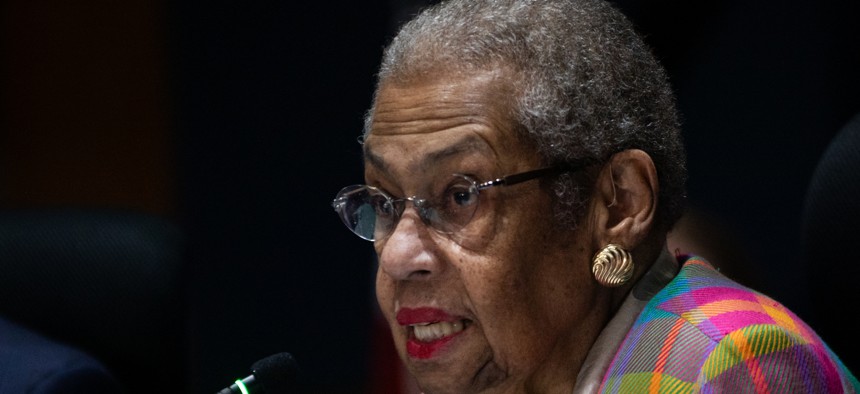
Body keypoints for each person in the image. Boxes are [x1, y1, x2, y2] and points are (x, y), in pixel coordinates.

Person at [331, 0, 859, 392]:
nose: (398, 256)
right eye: (383, 201)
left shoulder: (723, 364)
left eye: (461, 196)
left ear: (618, 204)